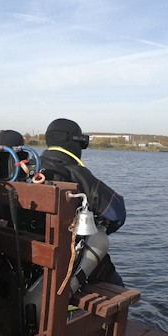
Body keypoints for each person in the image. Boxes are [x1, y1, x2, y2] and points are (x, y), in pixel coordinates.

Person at [40, 118, 126, 290]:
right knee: (115, 284)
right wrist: (99, 228)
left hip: (32, 260)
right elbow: (117, 212)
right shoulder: (78, 174)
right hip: (65, 261)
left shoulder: (31, 166)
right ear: (76, 143)